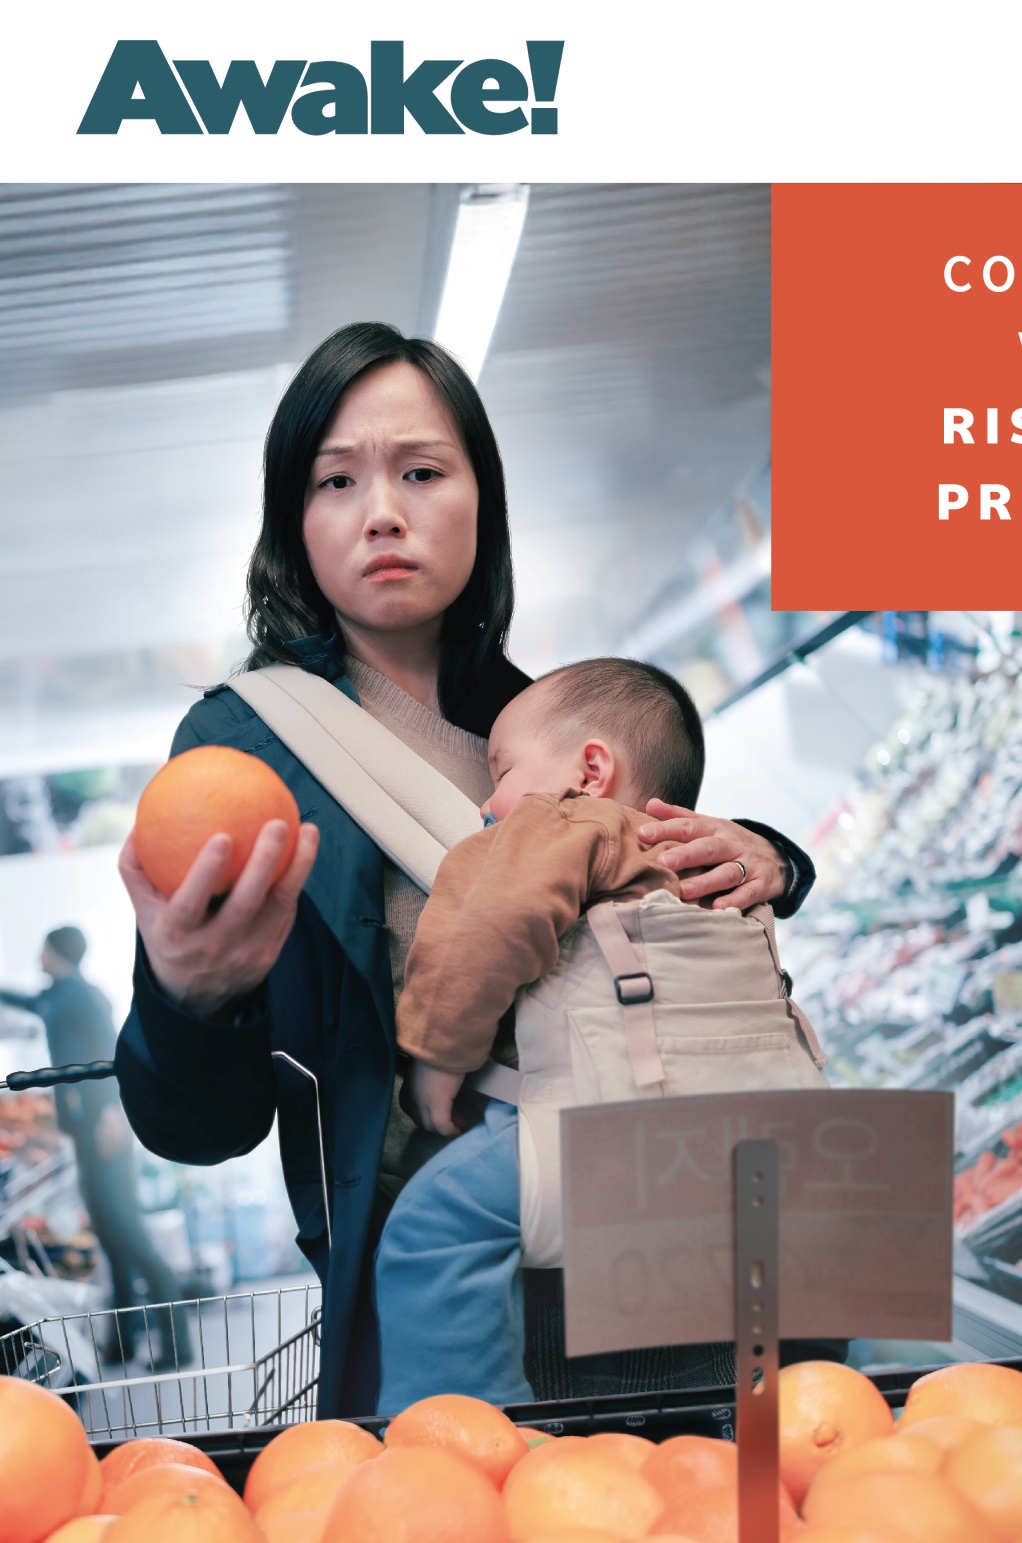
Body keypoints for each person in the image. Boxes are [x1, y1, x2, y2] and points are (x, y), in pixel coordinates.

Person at [114, 321, 816, 1418]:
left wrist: (773, 854)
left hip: (660, 1259)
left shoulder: (550, 722)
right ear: (294, 524)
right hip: (443, 1285)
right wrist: (191, 995)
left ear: (480, 500)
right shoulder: (240, 753)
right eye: (335, 479)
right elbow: (197, 1128)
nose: (382, 510)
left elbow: (657, 899)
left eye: (422, 471)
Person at [375, 658, 832, 1413]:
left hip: (614, 1127)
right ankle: (815, 1392)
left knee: (435, 1228)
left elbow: (486, 927)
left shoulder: (564, 821)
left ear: (591, 769)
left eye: (502, 768)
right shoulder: (710, 861)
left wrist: (438, 1055)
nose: (489, 798)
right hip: (772, 1137)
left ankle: (473, 1434)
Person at [0, 927, 189, 1363]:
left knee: (132, 1238)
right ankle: (122, 1344)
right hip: (85, 1134)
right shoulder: (59, 994)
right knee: (112, 1240)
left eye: (43, 948)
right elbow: (29, 1002)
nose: (38, 956)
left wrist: (112, 1113)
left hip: (106, 1130)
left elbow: (113, 1052)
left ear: (56, 952)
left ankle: (177, 1344)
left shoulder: (84, 997)